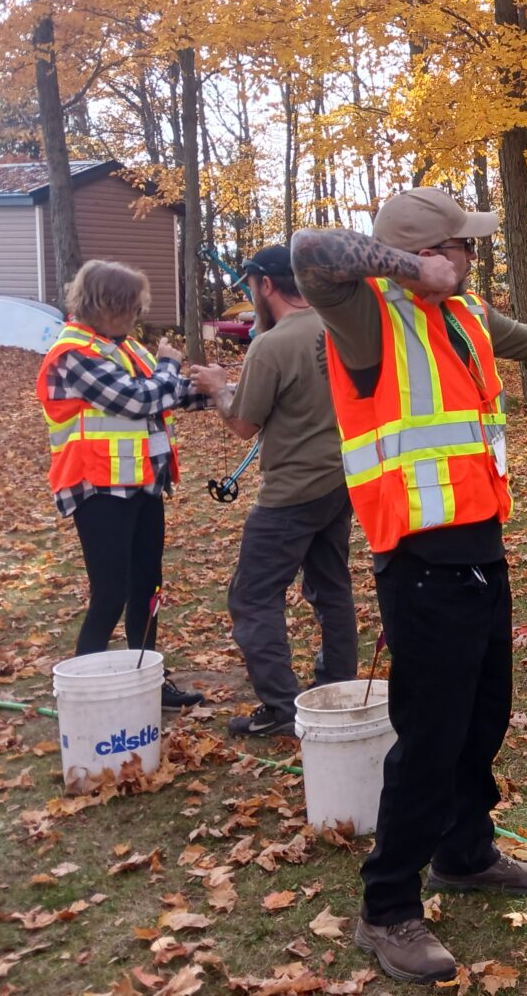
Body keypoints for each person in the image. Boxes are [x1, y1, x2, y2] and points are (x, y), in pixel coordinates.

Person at [291, 188, 527, 984]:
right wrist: (411, 269)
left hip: (480, 546)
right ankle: (387, 907)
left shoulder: (466, 313)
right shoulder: (367, 317)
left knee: (484, 716)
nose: (472, 256)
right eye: (461, 245)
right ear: (425, 253)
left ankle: (465, 851)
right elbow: (311, 251)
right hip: (420, 562)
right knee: (431, 736)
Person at [187, 244, 358, 738]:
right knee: (332, 587)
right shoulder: (339, 327)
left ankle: (283, 708)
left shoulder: (272, 344)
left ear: (265, 284)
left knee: (253, 595)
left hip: (292, 492)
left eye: (249, 285)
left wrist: (219, 387)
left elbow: (243, 424)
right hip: (340, 480)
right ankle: (337, 688)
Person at [35, 259, 207, 708]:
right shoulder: (74, 354)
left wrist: (218, 390)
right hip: (98, 488)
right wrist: (168, 366)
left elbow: (168, 394)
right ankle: (81, 693)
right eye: (131, 307)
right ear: (105, 305)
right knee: (110, 593)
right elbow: (136, 399)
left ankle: (148, 680)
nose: (136, 316)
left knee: (148, 587)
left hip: (143, 484)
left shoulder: (123, 347)